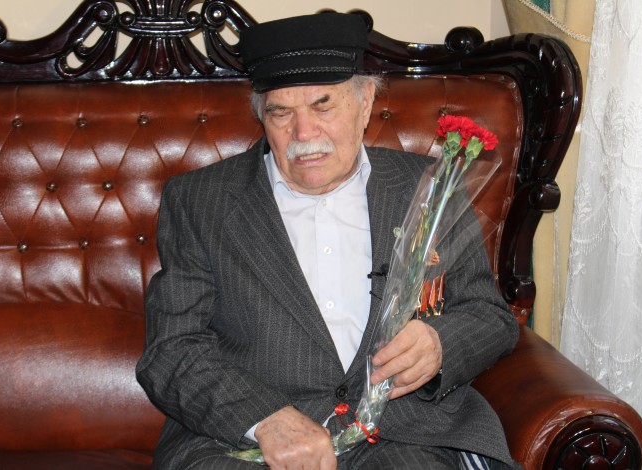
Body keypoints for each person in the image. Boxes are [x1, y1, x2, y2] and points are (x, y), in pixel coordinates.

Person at [136, 12, 520, 470]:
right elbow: (173, 349)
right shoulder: (201, 201)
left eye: (323, 106)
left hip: (402, 433)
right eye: (281, 112)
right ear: (262, 117)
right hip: (248, 441)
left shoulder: (428, 187)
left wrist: (439, 345)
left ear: (365, 102)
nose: (304, 134)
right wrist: (263, 419)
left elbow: (489, 315)